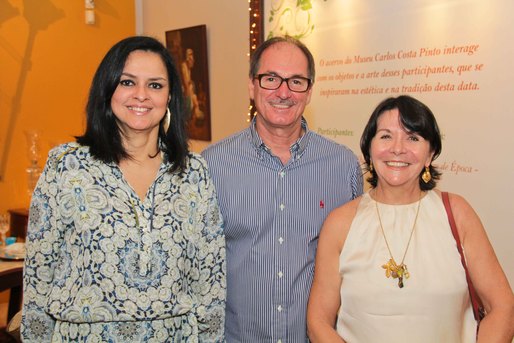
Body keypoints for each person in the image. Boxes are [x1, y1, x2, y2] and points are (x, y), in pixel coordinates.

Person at [21, 36, 226, 342]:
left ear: (170, 97)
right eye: (128, 82)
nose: (141, 95)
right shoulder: (67, 166)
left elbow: (209, 279)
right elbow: (39, 272)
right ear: (108, 90)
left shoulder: (194, 172)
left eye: (155, 85)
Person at [307, 95, 514, 342]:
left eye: (413, 138)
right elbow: (318, 321)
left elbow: (503, 307)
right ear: (369, 149)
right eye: (385, 136)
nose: (398, 148)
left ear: (430, 154)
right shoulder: (340, 223)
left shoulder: (457, 214)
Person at [202, 36, 363, 342]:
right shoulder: (212, 166)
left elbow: (356, 266)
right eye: (271, 79)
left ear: (310, 91)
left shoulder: (343, 167)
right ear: (252, 85)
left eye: (296, 81)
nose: (284, 92)